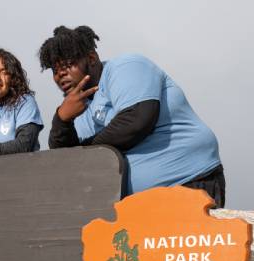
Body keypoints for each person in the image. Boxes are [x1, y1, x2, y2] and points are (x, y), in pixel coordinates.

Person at [40, 25, 224, 204]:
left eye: (68, 65)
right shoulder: (79, 110)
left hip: (188, 181)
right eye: (55, 70)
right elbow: (66, 162)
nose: (61, 74)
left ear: (92, 58)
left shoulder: (125, 67)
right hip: (133, 205)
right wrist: (61, 120)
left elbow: (136, 121)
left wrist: (87, 150)